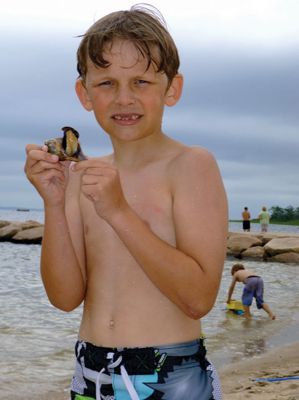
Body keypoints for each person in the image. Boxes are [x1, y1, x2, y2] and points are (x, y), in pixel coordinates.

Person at [24, 5, 228, 399]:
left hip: (168, 370)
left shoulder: (190, 166)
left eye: (141, 82)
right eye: (106, 84)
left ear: (172, 89)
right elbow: (65, 298)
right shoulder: (83, 177)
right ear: (84, 93)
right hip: (90, 369)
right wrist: (53, 202)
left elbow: (198, 298)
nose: (124, 98)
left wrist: (118, 211)